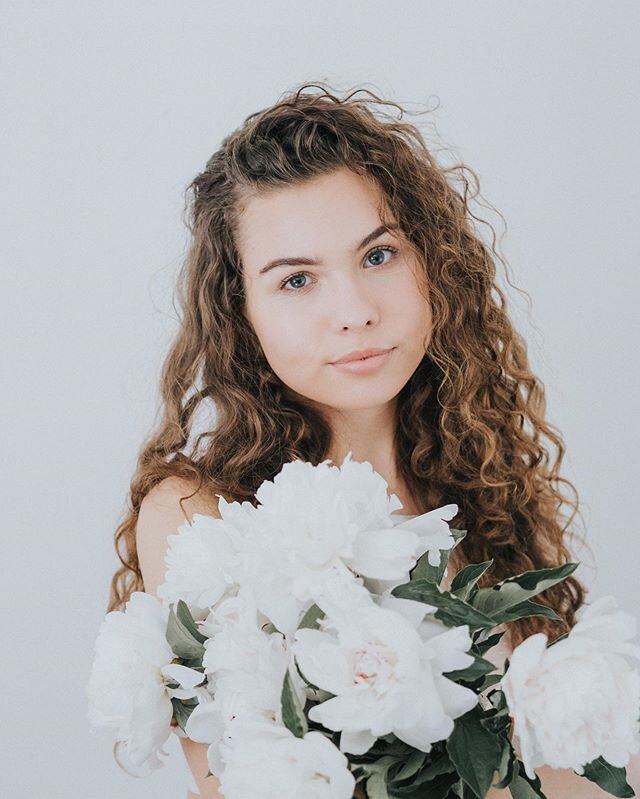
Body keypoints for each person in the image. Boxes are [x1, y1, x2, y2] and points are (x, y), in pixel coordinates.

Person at [104, 82, 625, 798]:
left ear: (433, 262)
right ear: (241, 313)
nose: (353, 311)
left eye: (378, 256)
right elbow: (241, 780)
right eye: (295, 281)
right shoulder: (204, 517)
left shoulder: (481, 494)